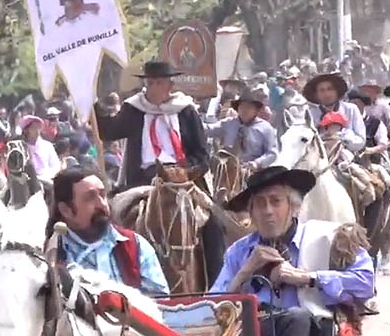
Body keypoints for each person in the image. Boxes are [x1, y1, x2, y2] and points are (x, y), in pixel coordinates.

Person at [209, 166, 375, 336]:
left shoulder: (329, 237)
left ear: (294, 208)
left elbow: (365, 283)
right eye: (260, 203)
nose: (267, 210)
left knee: (298, 318)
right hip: (254, 333)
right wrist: (244, 272)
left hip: (312, 331)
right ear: (252, 213)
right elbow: (209, 308)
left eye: (276, 201)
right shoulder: (239, 252)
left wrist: (308, 278)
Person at [93, 60, 223, 284]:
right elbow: (108, 131)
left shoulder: (186, 111)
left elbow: (202, 155)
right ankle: (119, 279)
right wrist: (92, 105)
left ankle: (218, 284)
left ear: (169, 85)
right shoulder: (134, 109)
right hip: (142, 181)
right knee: (114, 218)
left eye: (158, 83)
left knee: (214, 224)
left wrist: (184, 171)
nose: (152, 88)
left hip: (182, 180)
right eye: (149, 83)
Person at [50, 167, 169, 296]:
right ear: (65, 210)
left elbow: (160, 302)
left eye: (102, 194)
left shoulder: (135, 245)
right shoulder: (52, 254)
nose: (102, 204)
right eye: (90, 198)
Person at [347, 90, 390, 237]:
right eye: (351, 103)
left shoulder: (375, 122)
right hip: (346, 161)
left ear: (362, 105)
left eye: (356, 103)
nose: (352, 106)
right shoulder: (343, 122)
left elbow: (383, 144)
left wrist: (370, 150)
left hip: (371, 162)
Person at [205, 89, 279, 172]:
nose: (245, 110)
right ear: (237, 109)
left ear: (256, 111)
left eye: (249, 107)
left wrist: (257, 163)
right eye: (242, 107)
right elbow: (208, 130)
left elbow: (272, 153)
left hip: (252, 171)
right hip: (227, 169)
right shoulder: (228, 123)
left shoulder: (265, 128)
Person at [303, 72, 366, 148]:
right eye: (322, 90)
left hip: (346, 155)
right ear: (316, 94)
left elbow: (361, 140)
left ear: (337, 91)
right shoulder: (311, 114)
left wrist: (342, 136)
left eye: (330, 89)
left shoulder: (351, 109)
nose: (327, 94)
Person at [19, 115, 62, 181]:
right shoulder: (21, 148)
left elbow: (56, 166)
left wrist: (48, 176)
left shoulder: (47, 146)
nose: (37, 131)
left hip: (49, 179)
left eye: (38, 127)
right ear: (26, 130)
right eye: (33, 128)